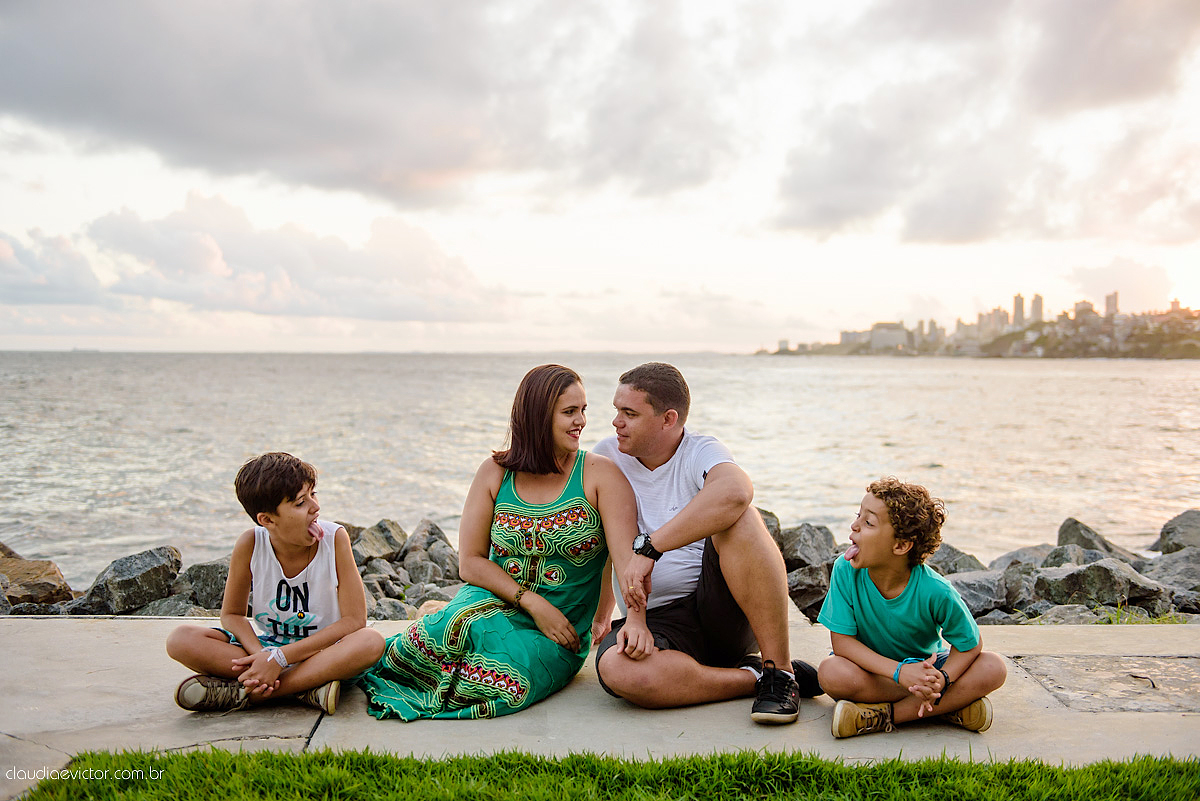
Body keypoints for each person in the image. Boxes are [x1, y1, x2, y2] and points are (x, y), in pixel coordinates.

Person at [359, 364, 650, 720]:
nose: (582, 421)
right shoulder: (495, 471)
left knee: (504, 681)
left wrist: (633, 620)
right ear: (537, 417)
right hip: (488, 602)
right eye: (570, 412)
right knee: (450, 630)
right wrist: (533, 604)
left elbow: (626, 562)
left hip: (560, 631)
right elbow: (471, 562)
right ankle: (313, 679)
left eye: (583, 410)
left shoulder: (601, 475)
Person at [593, 362, 820, 724]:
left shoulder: (699, 450)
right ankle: (758, 677)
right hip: (656, 619)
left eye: (629, 413)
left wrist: (652, 547)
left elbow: (735, 492)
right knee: (621, 672)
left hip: (721, 611)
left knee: (742, 516)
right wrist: (604, 615)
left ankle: (780, 672)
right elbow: (606, 538)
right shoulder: (606, 456)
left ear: (668, 419)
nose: (616, 422)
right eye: (616, 411)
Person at [166, 452, 385, 714]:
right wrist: (263, 655)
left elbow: (353, 622)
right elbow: (232, 615)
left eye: (313, 494)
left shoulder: (335, 539)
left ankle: (250, 694)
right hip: (269, 644)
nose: (315, 507)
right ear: (267, 520)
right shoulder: (250, 544)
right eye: (301, 503)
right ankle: (307, 688)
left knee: (370, 642)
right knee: (180, 640)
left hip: (323, 651)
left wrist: (280, 659)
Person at [817, 477, 1007, 738]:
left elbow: (970, 644)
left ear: (901, 546)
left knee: (993, 667)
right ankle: (948, 707)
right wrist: (900, 673)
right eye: (858, 515)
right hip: (876, 672)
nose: (854, 525)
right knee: (831, 673)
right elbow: (842, 644)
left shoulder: (936, 591)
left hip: (927, 667)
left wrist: (944, 679)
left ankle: (879, 716)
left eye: (868, 522)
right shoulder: (845, 571)